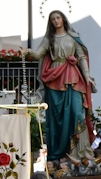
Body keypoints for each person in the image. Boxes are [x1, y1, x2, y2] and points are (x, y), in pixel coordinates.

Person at [34, 10, 97, 160]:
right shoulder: (49, 39)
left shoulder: (73, 37)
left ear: (63, 19)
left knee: (78, 113)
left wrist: (87, 76)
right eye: (53, 19)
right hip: (54, 78)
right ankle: (61, 153)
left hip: (73, 77)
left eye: (58, 18)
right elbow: (38, 54)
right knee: (57, 118)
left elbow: (81, 56)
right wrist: (25, 52)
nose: (56, 21)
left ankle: (82, 152)